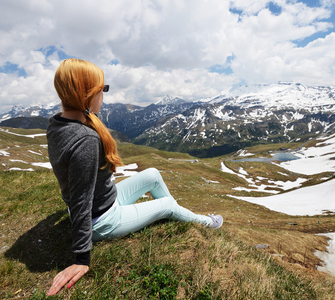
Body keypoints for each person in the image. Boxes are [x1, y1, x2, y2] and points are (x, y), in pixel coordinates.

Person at [46, 58, 223, 295]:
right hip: (103, 220)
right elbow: (80, 198)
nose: (104, 95)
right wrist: (81, 258)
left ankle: (175, 214)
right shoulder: (85, 139)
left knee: (152, 174)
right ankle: (206, 223)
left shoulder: (58, 123)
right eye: (102, 89)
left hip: (105, 201)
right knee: (168, 204)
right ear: (85, 93)